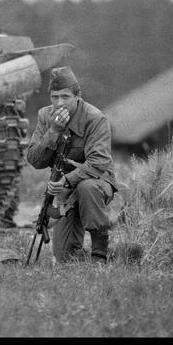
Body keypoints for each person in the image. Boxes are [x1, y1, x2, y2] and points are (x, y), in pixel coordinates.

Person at [26, 67, 118, 262]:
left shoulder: (95, 118)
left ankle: (100, 254)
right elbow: (35, 160)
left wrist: (67, 180)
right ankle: (109, 255)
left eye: (65, 97)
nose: (59, 103)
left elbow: (98, 162)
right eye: (54, 97)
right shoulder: (45, 116)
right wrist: (52, 132)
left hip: (96, 181)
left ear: (78, 96)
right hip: (65, 190)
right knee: (65, 257)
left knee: (87, 187)